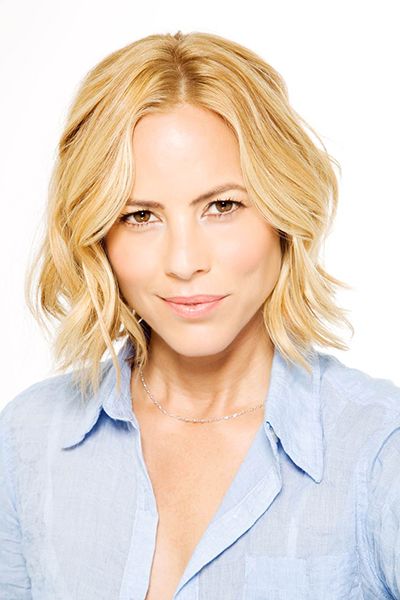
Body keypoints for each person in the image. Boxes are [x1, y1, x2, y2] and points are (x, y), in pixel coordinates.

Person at [0, 30, 399, 600]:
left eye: (222, 206)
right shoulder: (28, 439)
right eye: (140, 216)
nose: (184, 262)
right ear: (97, 236)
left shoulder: (379, 450)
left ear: (284, 211)